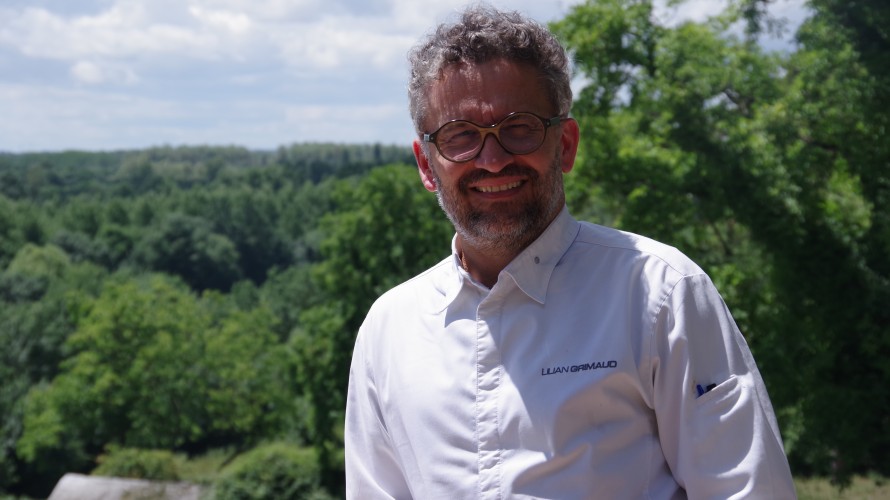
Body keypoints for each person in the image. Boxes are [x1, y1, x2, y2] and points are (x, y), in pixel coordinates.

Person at [345, 5, 796, 499]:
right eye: (460, 137)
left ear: (565, 144)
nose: (492, 160)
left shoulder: (660, 294)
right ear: (427, 165)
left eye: (519, 128)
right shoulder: (389, 330)